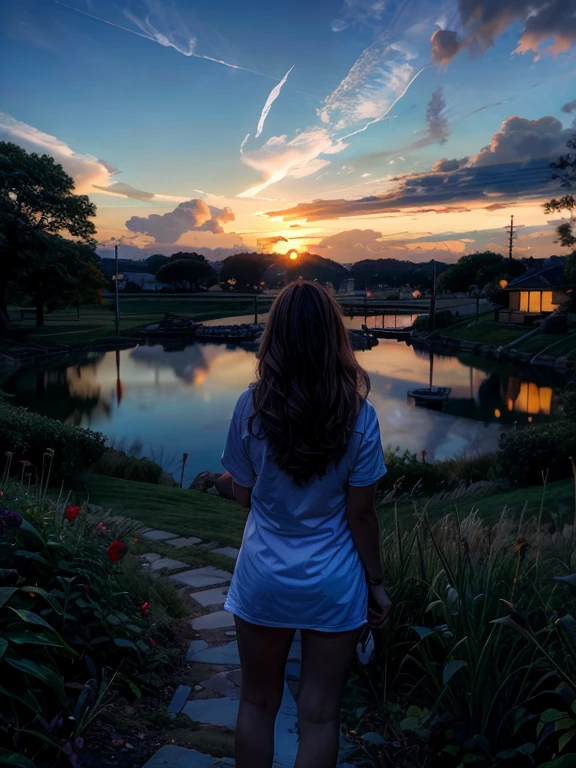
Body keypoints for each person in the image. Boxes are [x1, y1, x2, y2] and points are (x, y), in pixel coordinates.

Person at [213, 280, 391, 768]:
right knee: (319, 716)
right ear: (334, 336)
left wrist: (230, 483)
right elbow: (361, 514)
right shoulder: (360, 414)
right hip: (333, 583)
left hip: (264, 576)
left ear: (275, 337)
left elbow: (244, 493)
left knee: (256, 702)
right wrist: (376, 585)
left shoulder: (251, 406)